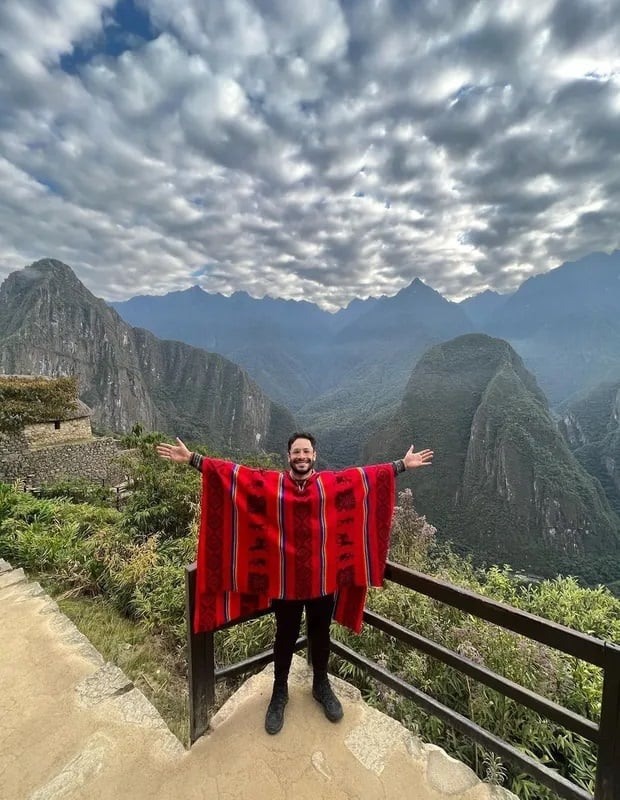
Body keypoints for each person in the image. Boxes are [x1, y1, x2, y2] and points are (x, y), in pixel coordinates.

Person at [156, 432, 433, 735]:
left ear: (314, 456)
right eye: (296, 452)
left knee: (320, 632)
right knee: (285, 637)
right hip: (285, 583)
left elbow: (365, 478)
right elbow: (234, 476)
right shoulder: (272, 485)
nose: (301, 457)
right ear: (288, 456)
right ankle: (279, 693)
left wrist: (402, 465)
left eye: (306, 452)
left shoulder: (329, 484)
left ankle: (321, 685)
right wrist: (193, 459)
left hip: (322, 581)